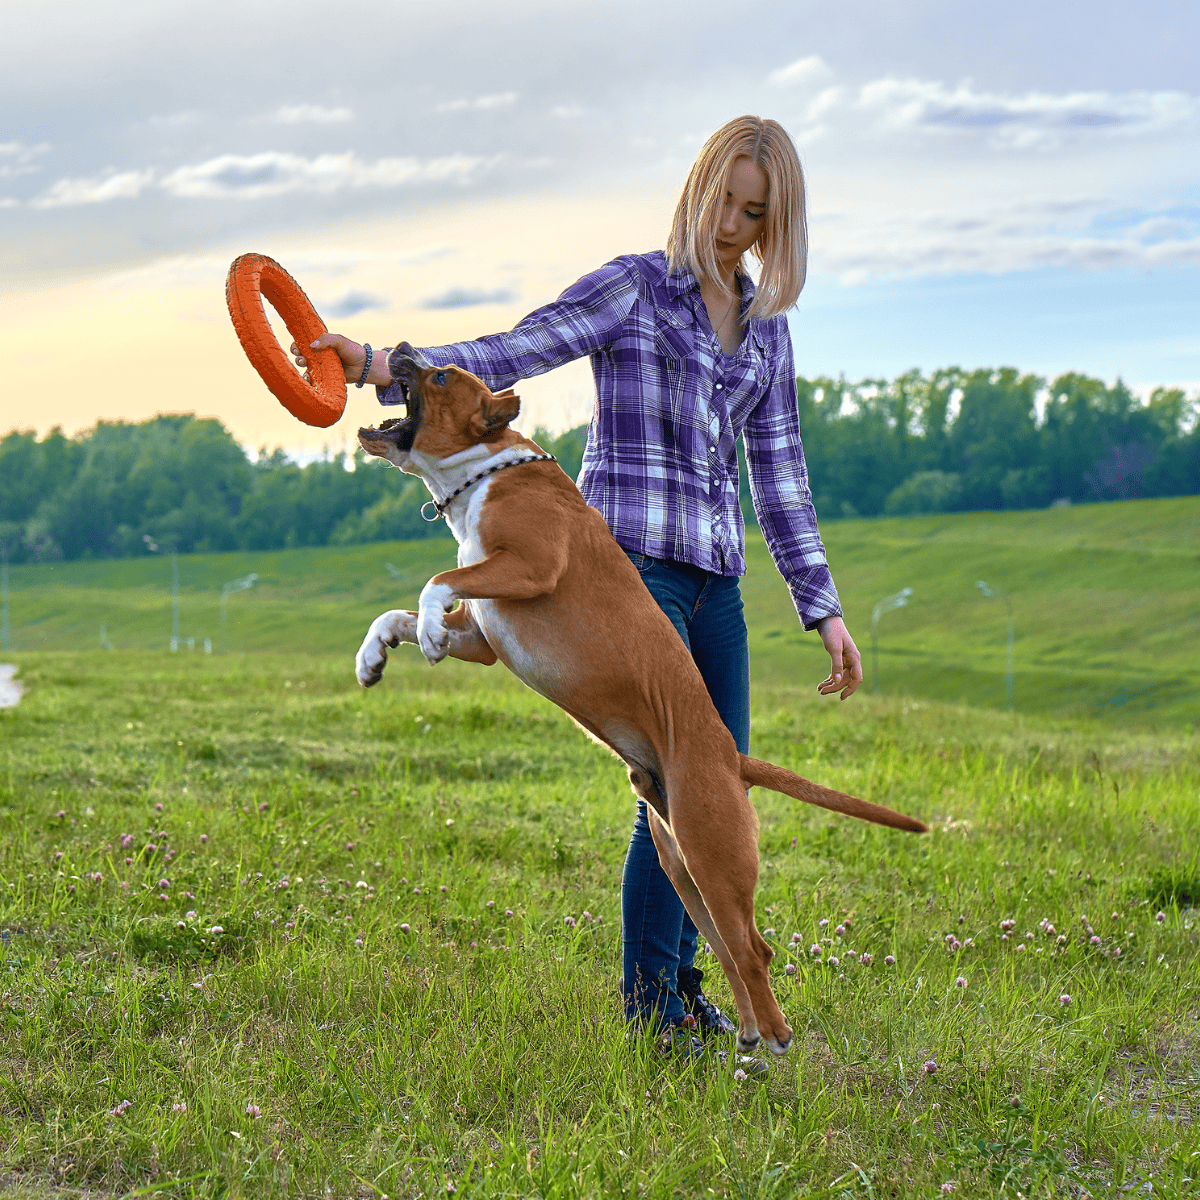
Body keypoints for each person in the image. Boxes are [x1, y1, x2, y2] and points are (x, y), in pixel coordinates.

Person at [295, 114, 863, 1055]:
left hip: (718, 583)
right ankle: (657, 1010)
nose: (730, 224)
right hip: (629, 566)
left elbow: (783, 473)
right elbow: (519, 347)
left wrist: (823, 605)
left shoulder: (767, 331)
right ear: (699, 186)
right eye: (723, 198)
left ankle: (689, 995)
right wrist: (381, 366)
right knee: (667, 785)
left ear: (777, 222)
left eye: (754, 212)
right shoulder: (635, 287)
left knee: (713, 793)